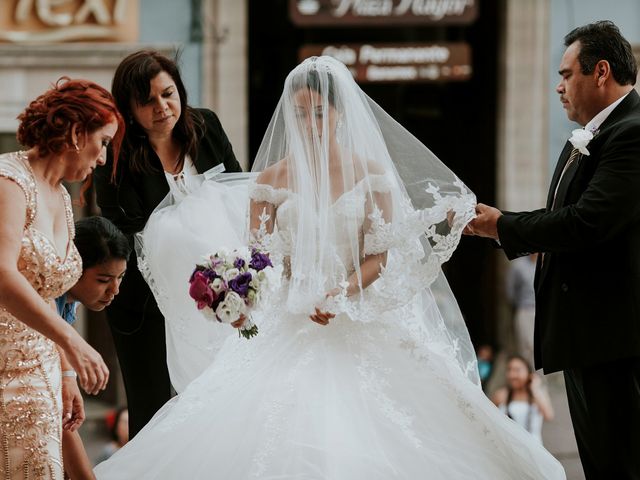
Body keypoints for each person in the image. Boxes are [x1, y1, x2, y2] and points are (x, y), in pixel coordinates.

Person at [95, 56, 565, 479]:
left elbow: (379, 254)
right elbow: (259, 255)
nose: (310, 122)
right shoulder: (271, 180)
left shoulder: (373, 175)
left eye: (319, 111)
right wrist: (245, 293)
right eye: (300, 113)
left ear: (341, 114)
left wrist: (341, 293)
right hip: (291, 317)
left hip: (356, 310)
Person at [467, 21, 640, 478]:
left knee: (622, 463)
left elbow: (587, 222)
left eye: (566, 74)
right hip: (588, 340)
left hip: (617, 342)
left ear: (600, 72)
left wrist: (500, 225)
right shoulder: (587, 136)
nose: (557, 86)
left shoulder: (631, 134)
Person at [94, 50, 242, 437]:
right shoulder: (116, 157)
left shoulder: (206, 126)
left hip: (223, 297)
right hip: (148, 307)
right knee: (157, 414)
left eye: (168, 93)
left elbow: (238, 195)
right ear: (129, 108)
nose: (162, 107)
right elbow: (123, 237)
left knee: (228, 403)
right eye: (147, 100)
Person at [0, 78, 120, 478]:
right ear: (75, 132)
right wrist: (73, 341)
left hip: (44, 374)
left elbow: (48, 291)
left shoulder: (63, 198)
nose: (103, 157)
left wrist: (66, 371)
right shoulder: (9, 180)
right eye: (102, 142)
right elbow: (2, 273)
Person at [55, 216, 130, 480]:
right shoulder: (49, 301)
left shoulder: (68, 302)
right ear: (74, 267)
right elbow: (61, 420)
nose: (115, 290)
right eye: (103, 280)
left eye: (120, 277)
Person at [491, 355, 554, 444]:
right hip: (508, 446)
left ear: (528, 373)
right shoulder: (501, 395)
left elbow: (549, 416)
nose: (512, 375)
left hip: (534, 447)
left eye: (517, 370)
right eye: (509, 370)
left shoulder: (537, 394)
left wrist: (535, 389)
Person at [505, 253, 537, 364]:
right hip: (525, 309)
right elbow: (511, 291)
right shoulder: (518, 265)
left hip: (544, 313)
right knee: (527, 347)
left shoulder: (546, 263)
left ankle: (541, 380)